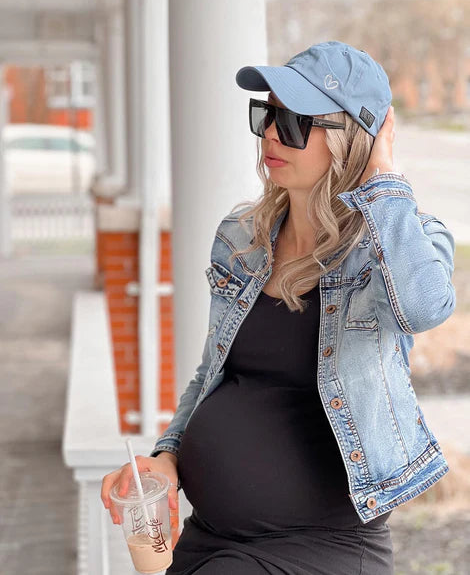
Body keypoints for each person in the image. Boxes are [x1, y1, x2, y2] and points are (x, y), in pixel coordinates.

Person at [101, 41, 456, 574]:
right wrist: (168, 458)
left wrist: (381, 174)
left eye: (294, 122)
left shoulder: (398, 244)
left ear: (350, 139)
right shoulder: (242, 237)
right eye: (266, 115)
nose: (270, 133)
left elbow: (426, 307)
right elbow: (212, 374)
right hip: (209, 538)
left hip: (318, 549)